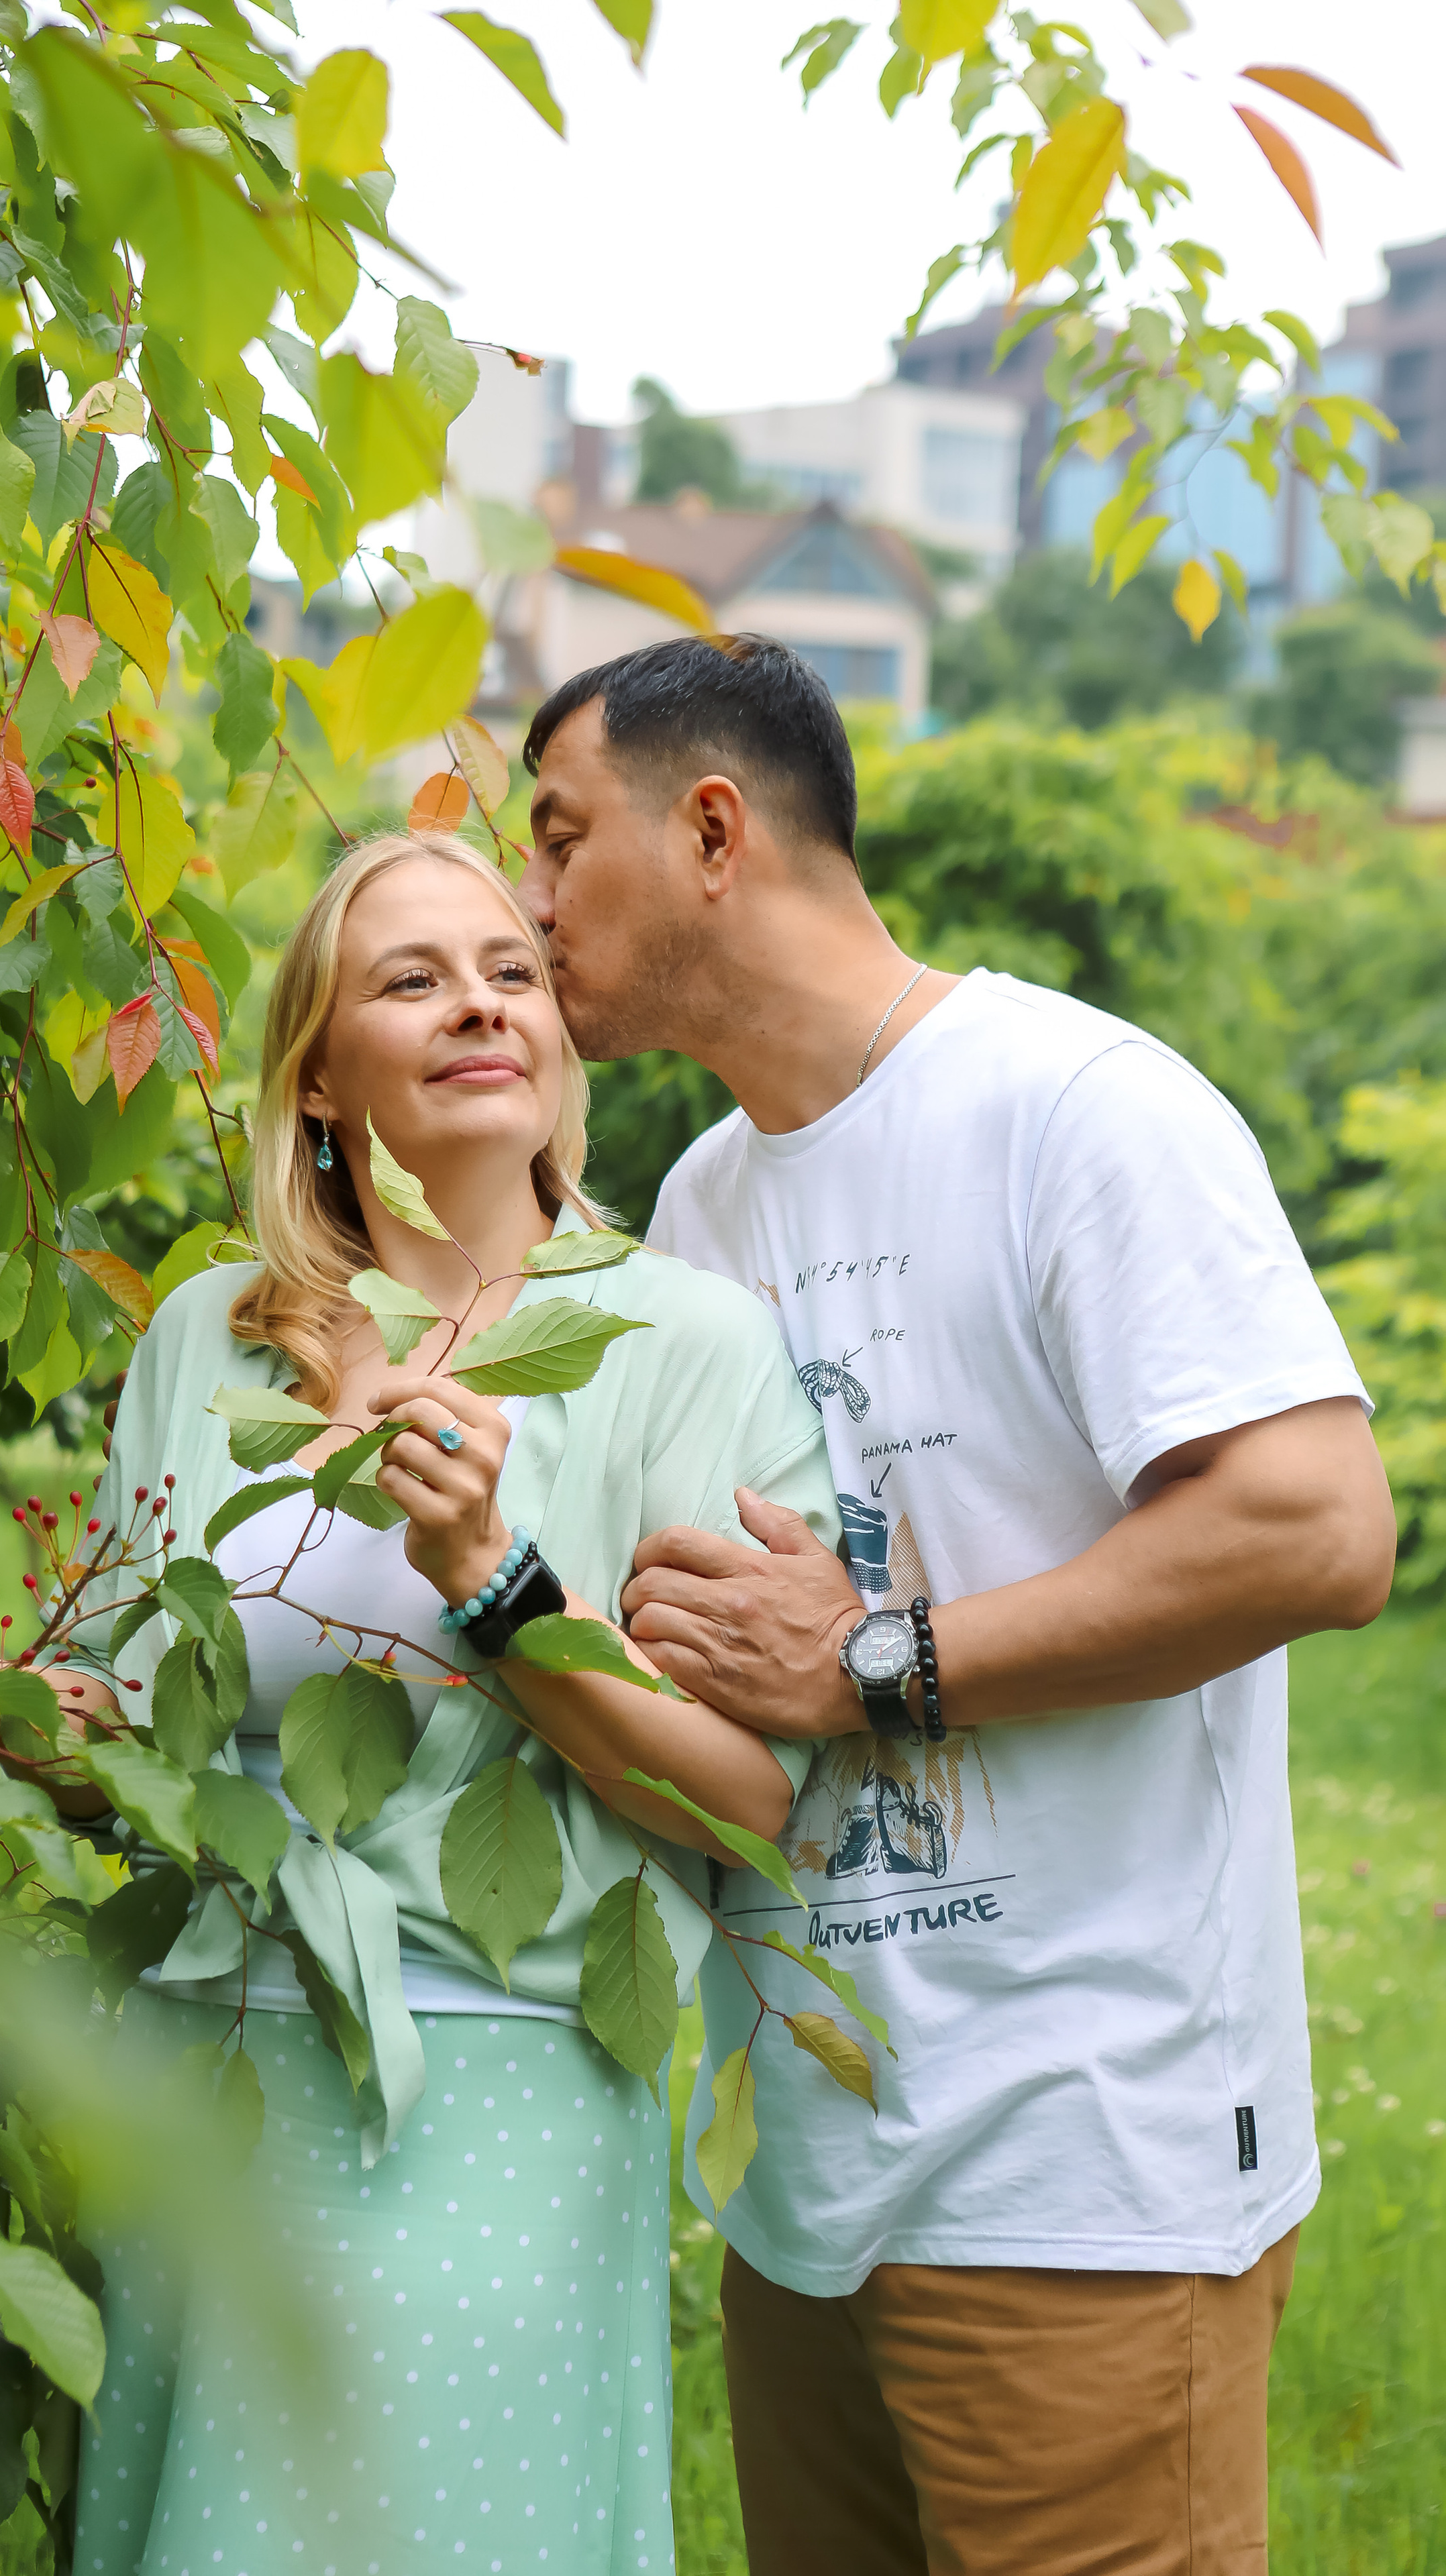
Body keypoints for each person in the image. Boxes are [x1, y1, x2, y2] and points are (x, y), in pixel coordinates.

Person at [0, 828, 838, 2576]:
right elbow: (134, 1726)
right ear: (317, 1077)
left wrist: (498, 1587)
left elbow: (746, 1806)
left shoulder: (682, 1342)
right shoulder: (213, 1338)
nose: (480, 1005)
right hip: (217, 2062)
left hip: (518, 2060)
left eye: (511, 972)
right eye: (414, 978)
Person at [518, 635, 1398, 2576]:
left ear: (716, 829)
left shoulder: (1076, 1108)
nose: (532, 901)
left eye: (560, 840)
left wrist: (877, 1660)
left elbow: (1317, 1529)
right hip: (807, 2177)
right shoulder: (704, 1211)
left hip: (1079, 2159)